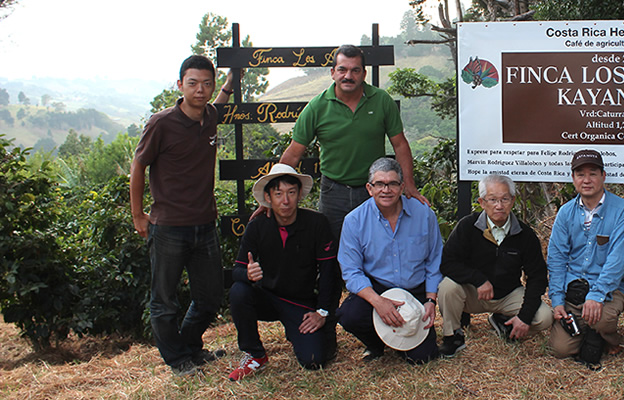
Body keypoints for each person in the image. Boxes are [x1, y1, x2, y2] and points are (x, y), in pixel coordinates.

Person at [129, 54, 234, 376]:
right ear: (180, 85)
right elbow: (138, 165)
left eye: (206, 84)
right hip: (169, 226)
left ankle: (190, 347)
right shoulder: (161, 123)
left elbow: (219, 102)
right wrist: (137, 214)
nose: (200, 90)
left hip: (205, 224)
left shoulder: (211, 116)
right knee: (164, 301)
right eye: (193, 84)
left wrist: (231, 82)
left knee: (210, 297)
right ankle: (177, 361)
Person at [268, 44, 426, 242]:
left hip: (374, 191)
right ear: (333, 72)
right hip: (333, 191)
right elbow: (293, 153)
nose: (348, 76)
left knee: (376, 248)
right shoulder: (317, 107)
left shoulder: (382, 101)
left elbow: (400, 145)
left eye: (355, 70)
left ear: (364, 74)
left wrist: (409, 185)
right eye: (342, 69)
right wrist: (272, 191)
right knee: (332, 250)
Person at [227, 164, 340, 381]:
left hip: (300, 302)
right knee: (239, 292)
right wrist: (248, 275)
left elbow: (329, 272)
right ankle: (254, 354)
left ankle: (308, 334)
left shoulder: (317, 223)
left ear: (299, 195)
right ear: (268, 197)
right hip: (267, 297)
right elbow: (237, 271)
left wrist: (323, 312)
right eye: (278, 194)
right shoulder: (257, 226)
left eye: (291, 193)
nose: (285, 201)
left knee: (314, 360)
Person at [336, 157, 443, 364]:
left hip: (415, 290)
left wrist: (430, 300)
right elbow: (351, 272)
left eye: (392, 184)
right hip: (378, 289)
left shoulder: (424, 215)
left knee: (423, 358)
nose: (386, 190)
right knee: (350, 315)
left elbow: (434, 260)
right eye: (379, 184)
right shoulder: (354, 221)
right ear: (369, 188)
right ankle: (376, 343)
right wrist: (379, 302)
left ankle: (402, 340)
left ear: (402, 187)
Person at [437, 174, 552, 357]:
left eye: (505, 199)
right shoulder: (467, 226)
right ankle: (453, 336)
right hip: (474, 293)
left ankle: (504, 323)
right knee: (447, 287)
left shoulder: (525, 234)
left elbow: (537, 276)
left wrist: (524, 317)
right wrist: (478, 280)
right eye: (492, 199)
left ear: (513, 201)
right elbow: (448, 263)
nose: (499, 205)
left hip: (508, 295)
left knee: (545, 318)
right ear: (482, 202)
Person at [547, 149, 624, 370]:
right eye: (580, 174)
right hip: (575, 286)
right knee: (561, 349)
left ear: (603, 176)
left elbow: (618, 259)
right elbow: (557, 257)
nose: (586, 180)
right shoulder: (565, 213)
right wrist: (557, 300)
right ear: (573, 178)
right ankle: (590, 330)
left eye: (593, 173)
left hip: (610, 288)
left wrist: (597, 295)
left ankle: (604, 335)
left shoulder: (623, 210)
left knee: (603, 318)